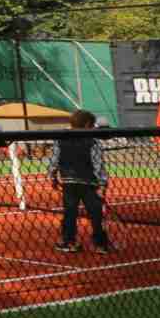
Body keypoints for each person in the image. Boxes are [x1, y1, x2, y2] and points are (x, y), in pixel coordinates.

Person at [51, 108, 112, 253]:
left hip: (68, 182)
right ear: (86, 125)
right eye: (91, 126)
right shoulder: (93, 142)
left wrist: (52, 176)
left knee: (70, 212)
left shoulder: (61, 138)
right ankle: (100, 244)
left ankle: (69, 241)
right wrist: (103, 183)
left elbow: (54, 160)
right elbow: (98, 164)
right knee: (95, 213)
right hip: (88, 182)